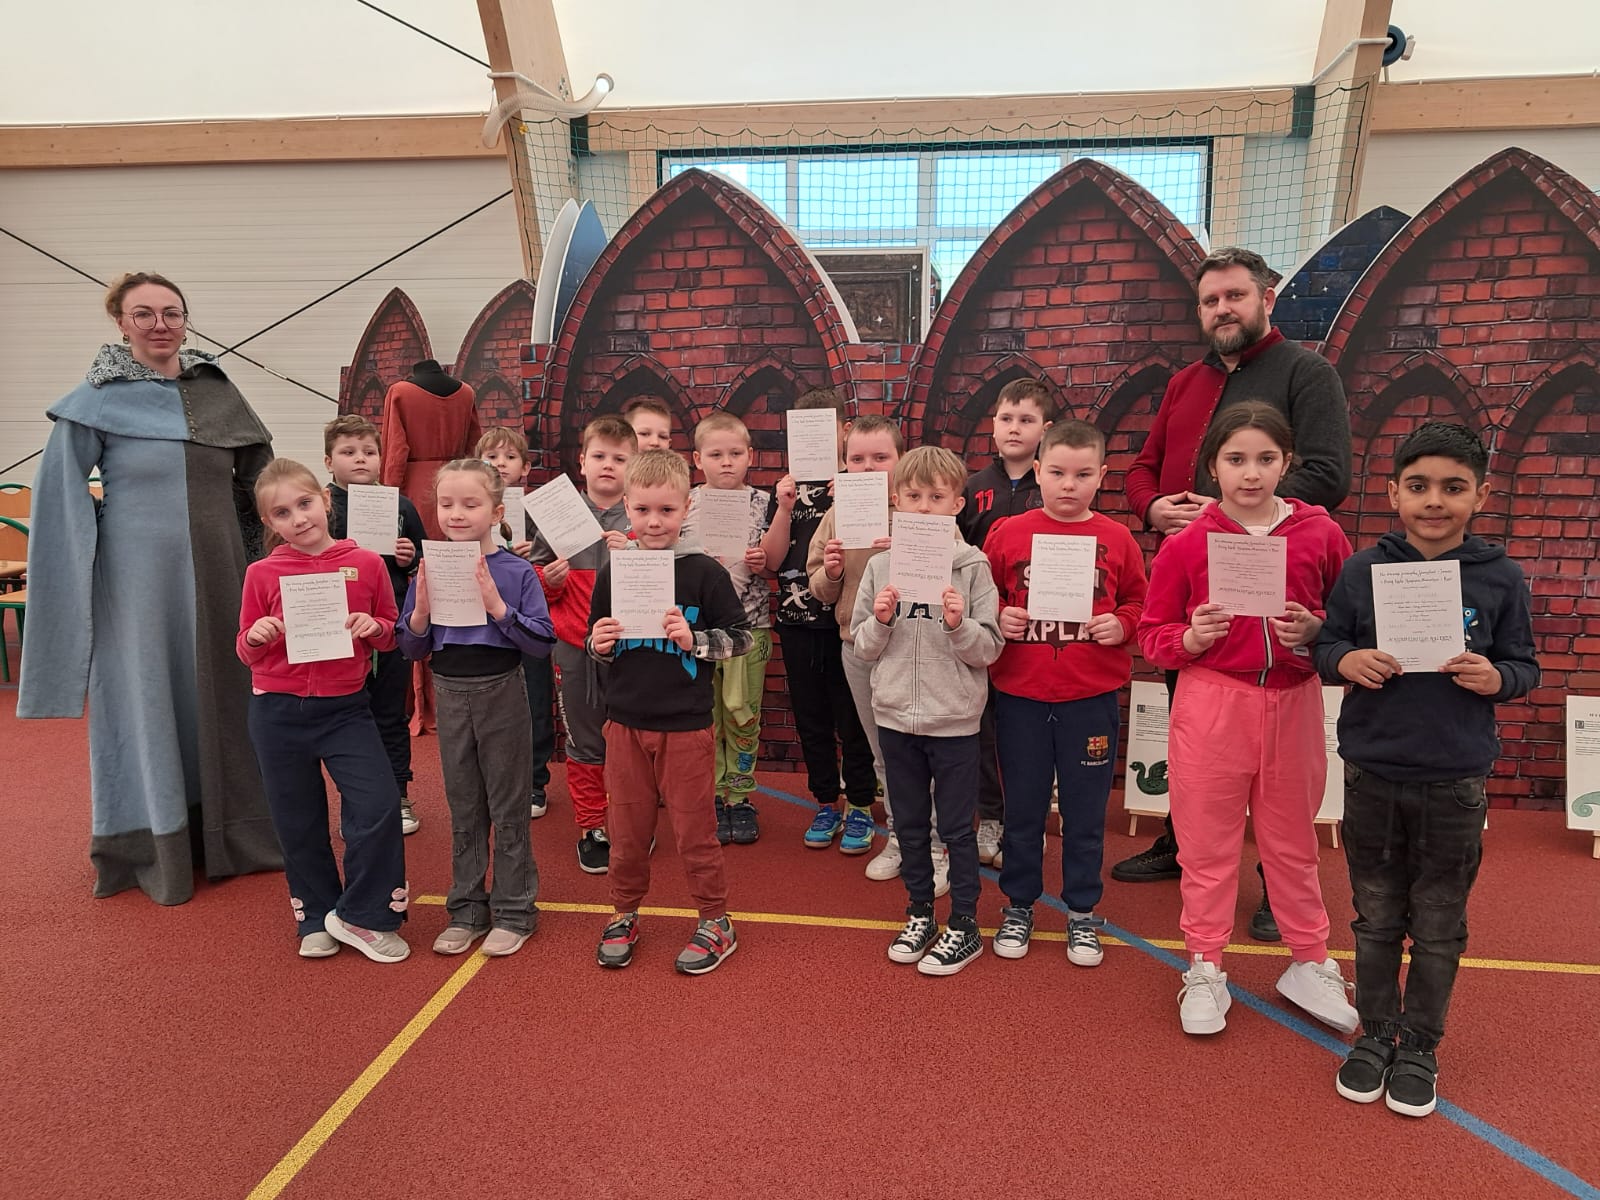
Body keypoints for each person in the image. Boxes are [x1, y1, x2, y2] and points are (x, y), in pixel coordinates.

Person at [19, 271, 280, 905]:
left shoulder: (218, 390)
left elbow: (265, 485)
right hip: (136, 584)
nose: (160, 324)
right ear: (121, 323)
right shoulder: (96, 399)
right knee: (146, 697)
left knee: (227, 694)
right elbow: (59, 498)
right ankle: (155, 844)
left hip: (221, 575)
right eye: (144, 313)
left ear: (185, 320)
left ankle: (236, 837)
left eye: (172, 312)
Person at [1118, 245, 1354, 943]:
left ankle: (1277, 887)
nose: (1223, 309)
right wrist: (1154, 507)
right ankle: (1182, 841)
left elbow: (1329, 473)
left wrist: (1232, 512)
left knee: (1276, 764)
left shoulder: (1307, 372)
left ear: (1266, 299)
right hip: (1196, 581)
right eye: (1211, 300)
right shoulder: (1184, 382)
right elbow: (1143, 469)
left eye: (1235, 296)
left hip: (1273, 581)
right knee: (1193, 721)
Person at [1316, 423, 1538, 1118]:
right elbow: (1327, 645)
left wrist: (1496, 677)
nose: (1434, 501)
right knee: (1376, 916)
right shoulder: (1363, 569)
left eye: (1452, 487)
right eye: (1418, 486)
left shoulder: (1501, 577)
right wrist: (1347, 660)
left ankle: (1420, 1044)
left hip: (1454, 777)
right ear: (1393, 493)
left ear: (1481, 495)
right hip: (1373, 770)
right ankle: (1376, 1033)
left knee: (1439, 923)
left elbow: (1524, 665)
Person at [1138, 402, 1358, 1036]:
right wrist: (1191, 639)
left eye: (1266, 459)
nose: (1251, 473)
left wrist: (1318, 631)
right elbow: (1152, 636)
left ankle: (1309, 961)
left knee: (1293, 842)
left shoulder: (1321, 534)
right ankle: (1205, 964)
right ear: (1213, 466)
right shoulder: (1186, 543)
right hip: (1213, 701)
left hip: (1294, 699)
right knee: (1206, 844)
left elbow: (1351, 624)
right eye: (1236, 459)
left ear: (1287, 463)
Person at [985, 420, 1146, 967]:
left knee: (1085, 812)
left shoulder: (1118, 538)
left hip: (1090, 698)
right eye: (1057, 473)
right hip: (1022, 696)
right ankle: (1018, 905)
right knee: (1023, 809)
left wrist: (1122, 624)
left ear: (1102, 475)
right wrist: (998, 615)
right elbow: (982, 595)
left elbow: (1141, 603)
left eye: (1082, 475)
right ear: (1038, 472)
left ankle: (1081, 911)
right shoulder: (1007, 533)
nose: (1069, 485)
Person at [588, 449, 753, 975]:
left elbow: (743, 638)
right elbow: (597, 641)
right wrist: (599, 644)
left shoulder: (705, 572)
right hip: (625, 724)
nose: (654, 522)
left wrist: (695, 640)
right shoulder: (614, 571)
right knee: (627, 832)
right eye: (642, 510)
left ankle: (716, 921)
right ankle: (623, 913)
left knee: (694, 832)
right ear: (627, 508)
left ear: (686, 509)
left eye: (666, 510)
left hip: (685, 726)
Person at [237, 459, 409, 962]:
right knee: (297, 820)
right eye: (282, 513)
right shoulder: (261, 573)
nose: (298, 518)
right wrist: (257, 636)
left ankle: (364, 915)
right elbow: (244, 648)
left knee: (378, 807)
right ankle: (315, 914)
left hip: (345, 710)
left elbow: (391, 632)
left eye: (305, 503)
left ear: (326, 500)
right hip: (276, 712)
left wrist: (374, 628)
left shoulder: (368, 563)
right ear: (269, 522)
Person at [853, 447, 1003, 975]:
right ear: (896, 501)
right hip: (896, 717)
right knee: (911, 826)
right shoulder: (880, 566)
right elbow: (862, 646)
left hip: (954, 721)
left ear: (957, 504)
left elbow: (989, 649)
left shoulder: (973, 567)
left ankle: (964, 923)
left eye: (937, 497)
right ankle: (920, 913)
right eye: (913, 496)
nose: (923, 507)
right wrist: (881, 621)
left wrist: (960, 625)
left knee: (957, 830)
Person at [398, 460, 555, 958]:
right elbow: (409, 647)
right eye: (446, 504)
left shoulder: (516, 571)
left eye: (471, 504)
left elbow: (541, 641)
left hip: (501, 692)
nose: (457, 514)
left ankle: (515, 910)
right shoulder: (430, 566)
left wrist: (497, 607)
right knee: (464, 806)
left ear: (497, 512)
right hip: (449, 692)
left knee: (508, 805)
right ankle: (466, 908)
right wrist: (421, 611)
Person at [807, 416, 949, 894]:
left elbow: (956, 571)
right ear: (844, 464)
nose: (868, 468)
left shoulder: (922, 507)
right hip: (859, 647)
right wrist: (829, 571)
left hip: (918, 648)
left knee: (928, 751)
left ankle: (937, 844)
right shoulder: (837, 513)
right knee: (885, 753)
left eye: (880, 458)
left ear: (900, 460)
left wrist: (907, 546)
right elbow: (820, 588)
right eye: (857, 459)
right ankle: (903, 840)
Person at [528, 415, 636, 873]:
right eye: (600, 456)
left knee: (632, 744)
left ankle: (630, 824)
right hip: (573, 648)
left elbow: (664, 585)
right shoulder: (558, 517)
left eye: (620, 458)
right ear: (582, 462)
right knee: (584, 742)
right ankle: (593, 827)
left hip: (633, 652)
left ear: (634, 466)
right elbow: (533, 587)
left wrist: (633, 557)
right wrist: (549, 581)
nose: (608, 465)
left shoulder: (642, 517)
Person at [774, 391, 879, 848]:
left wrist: (853, 489)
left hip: (849, 623)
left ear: (844, 429)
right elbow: (773, 558)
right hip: (799, 620)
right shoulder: (786, 488)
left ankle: (860, 804)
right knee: (811, 719)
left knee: (854, 719)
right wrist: (783, 504)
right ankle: (824, 802)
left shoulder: (863, 484)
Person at [959, 378, 1055, 868]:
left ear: (1046, 429)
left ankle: (1026, 821)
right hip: (984, 628)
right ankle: (992, 817)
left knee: (1029, 732)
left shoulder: (1055, 487)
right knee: (984, 729)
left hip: (1040, 635)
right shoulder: (972, 488)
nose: (1015, 428)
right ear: (992, 426)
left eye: (1026, 420)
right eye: (1006, 419)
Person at [681, 412, 785, 845]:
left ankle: (739, 797)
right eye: (716, 454)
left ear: (750, 456)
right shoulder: (686, 502)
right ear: (697, 459)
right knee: (705, 719)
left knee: (743, 716)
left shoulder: (763, 502)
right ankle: (709, 797)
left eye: (736, 453)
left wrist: (763, 560)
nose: (727, 462)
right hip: (699, 632)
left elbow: (775, 561)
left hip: (750, 626)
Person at [324, 415, 426, 834]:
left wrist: (409, 558)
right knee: (346, 716)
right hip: (338, 626)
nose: (360, 459)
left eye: (369, 451)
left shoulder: (399, 505)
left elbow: (421, 560)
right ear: (329, 461)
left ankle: (398, 795)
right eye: (348, 452)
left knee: (390, 712)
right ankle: (357, 800)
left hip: (389, 623)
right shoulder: (321, 507)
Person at [476, 426, 556, 820]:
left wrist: (535, 557)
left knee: (536, 699)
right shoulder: (469, 508)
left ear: (525, 467)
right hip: (485, 627)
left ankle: (536, 781)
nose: (500, 464)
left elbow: (559, 565)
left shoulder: (542, 510)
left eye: (509, 458)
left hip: (528, 620)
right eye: (492, 457)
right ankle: (494, 780)